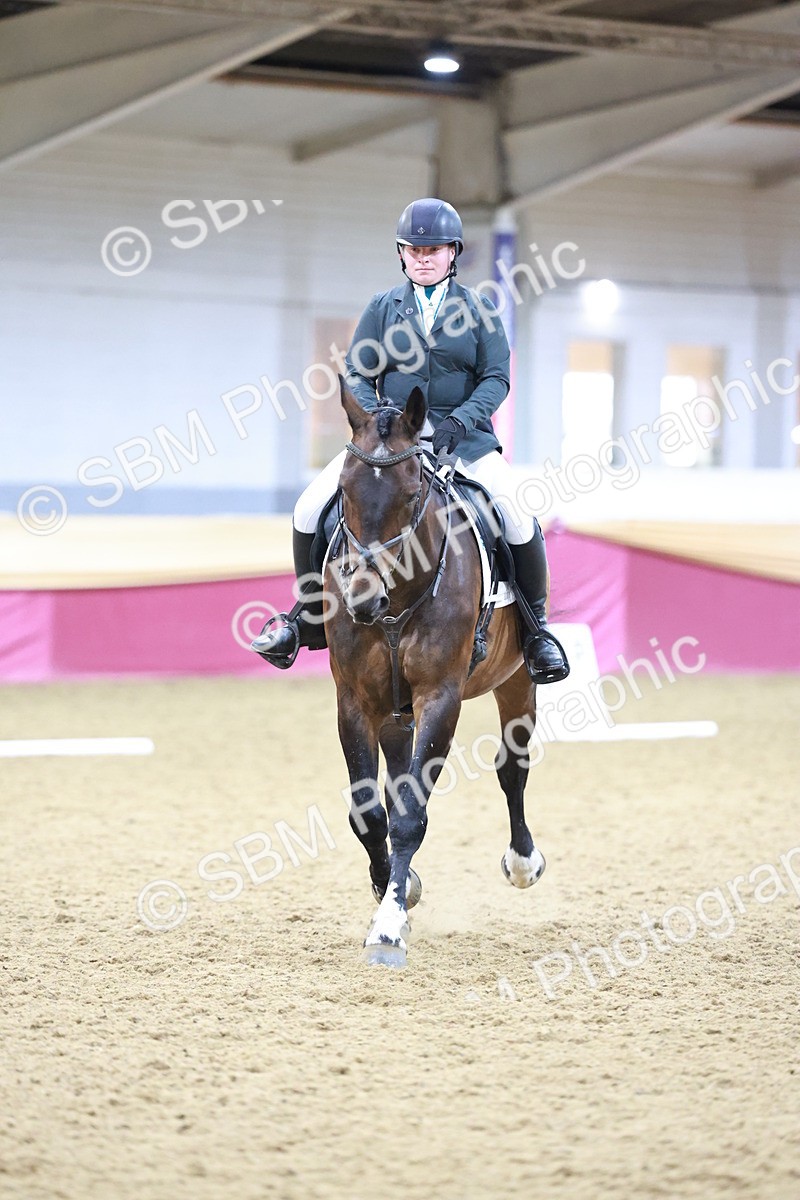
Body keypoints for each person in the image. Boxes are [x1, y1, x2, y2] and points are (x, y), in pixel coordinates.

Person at [252, 197, 569, 683]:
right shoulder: (383, 308)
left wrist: (462, 420)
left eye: (434, 249)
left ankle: (536, 632)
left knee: (516, 515)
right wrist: (376, 417)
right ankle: (306, 617)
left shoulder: (479, 309)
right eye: (413, 249)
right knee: (309, 508)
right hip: (390, 443)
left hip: (463, 442)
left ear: (452, 253)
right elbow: (358, 369)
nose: (423, 257)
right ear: (401, 254)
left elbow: (496, 377)